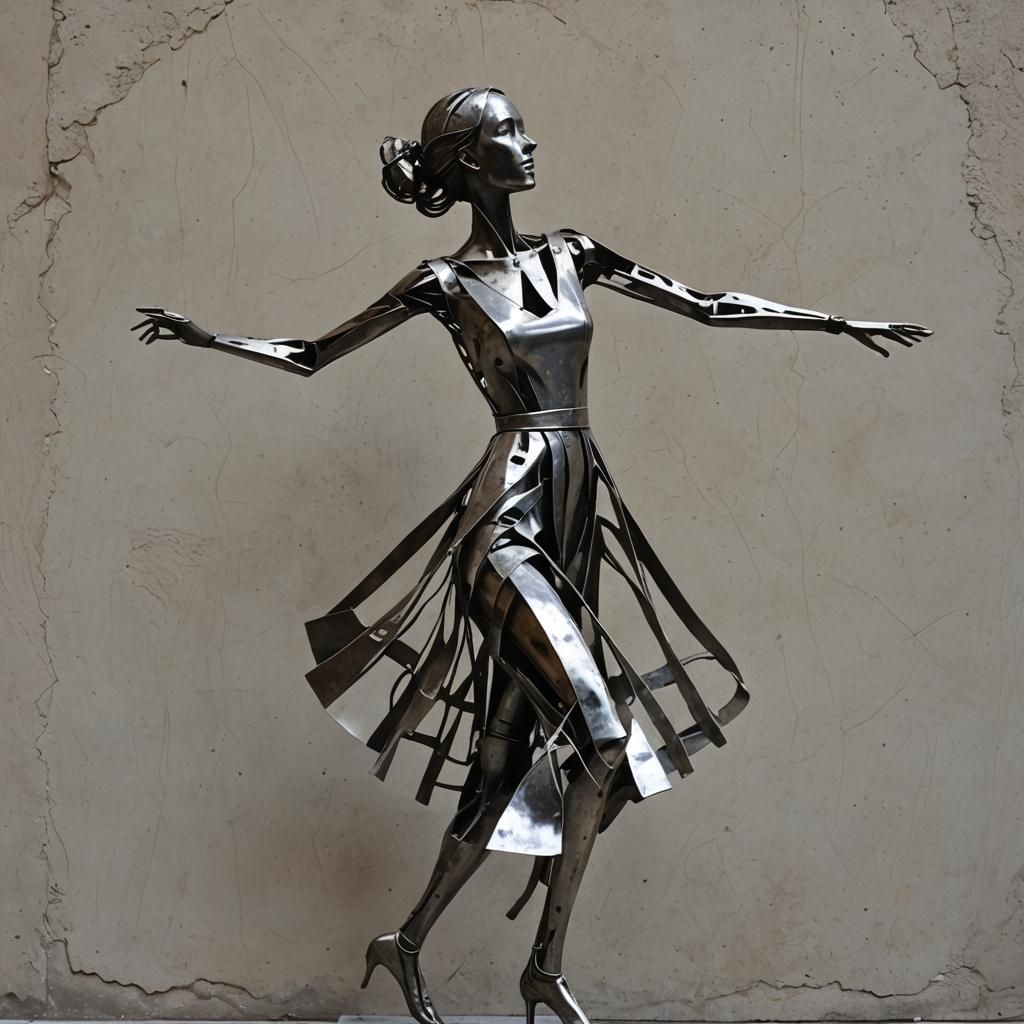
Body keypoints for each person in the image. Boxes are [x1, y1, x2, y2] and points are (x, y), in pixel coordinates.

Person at [133, 87, 930, 1024]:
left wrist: (834, 322)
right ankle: (543, 969)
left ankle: (416, 944)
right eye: (509, 131)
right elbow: (314, 353)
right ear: (471, 160)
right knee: (603, 735)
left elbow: (708, 305)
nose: (530, 140)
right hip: (502, 525)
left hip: (574, 520)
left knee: (504, 767)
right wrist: (209, 339)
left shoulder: (575, 252)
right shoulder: (442, 282)